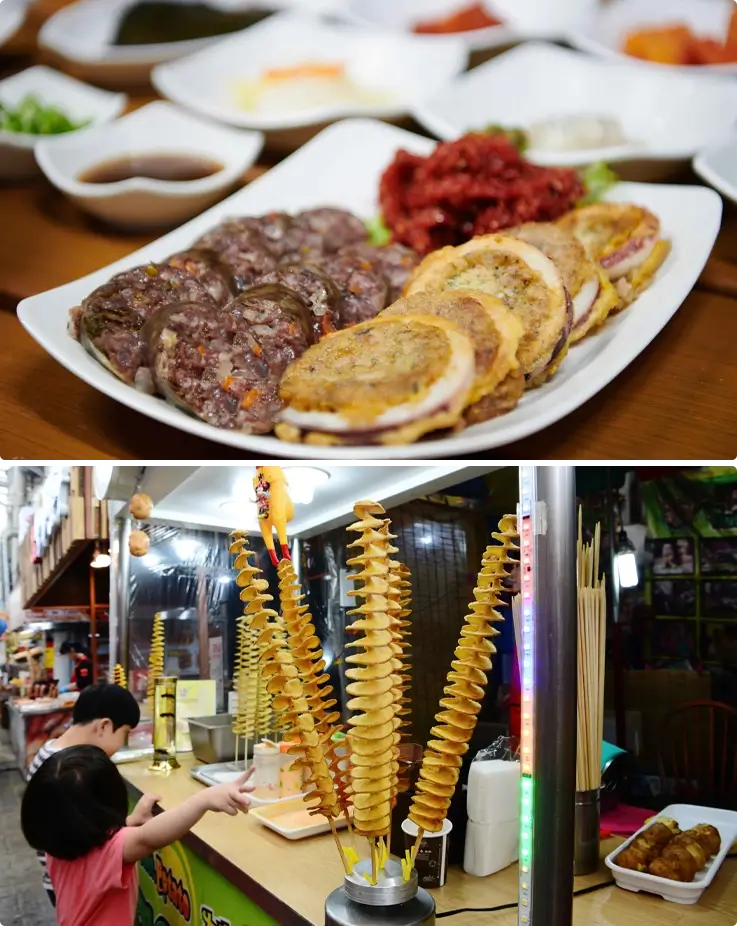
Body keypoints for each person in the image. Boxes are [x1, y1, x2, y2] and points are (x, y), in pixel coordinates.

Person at [21, 745, 254, 926]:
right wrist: (204, 799)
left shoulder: (57, 846)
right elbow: (148, 837)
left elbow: (96, 836)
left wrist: (130, 822)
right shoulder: (111, 852)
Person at [27, 682, 142, 909]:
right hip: (77, 886)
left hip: (61, 881)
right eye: (124, 734)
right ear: (104, 726)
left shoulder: (53, 753)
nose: (120, 745)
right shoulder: (71, 773)